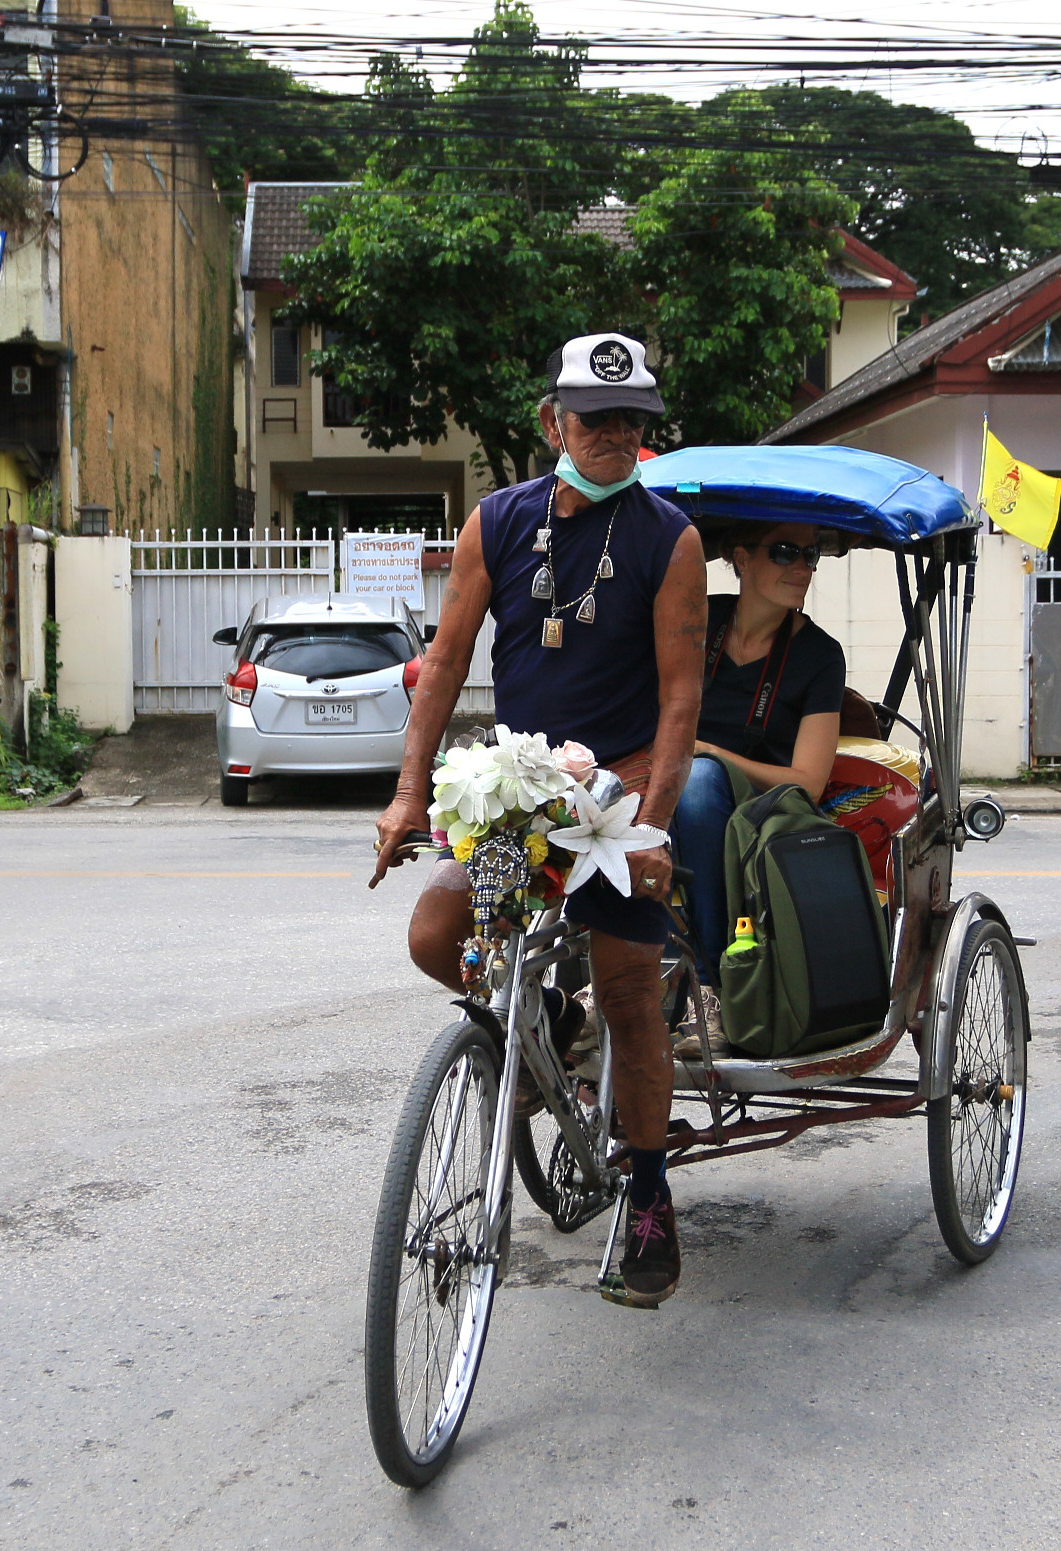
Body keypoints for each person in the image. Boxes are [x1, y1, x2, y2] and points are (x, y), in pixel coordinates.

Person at [369, 332, 707, 1308]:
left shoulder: (668, 539)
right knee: (440, 934)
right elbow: (440, 665)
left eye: (629, 420)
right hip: (520, 792)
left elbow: (681, 701)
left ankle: (646, 1200)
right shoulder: (496, 523)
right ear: (549, 419)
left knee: (632, 994)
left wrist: (651, 828)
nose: (611, 435)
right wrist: (404, 794)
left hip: (620, 793)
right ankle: (548, 1025)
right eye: (592, 416)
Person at [671, 524, 850, 973]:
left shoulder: (820, 655)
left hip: (761, 811)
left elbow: (808, 783)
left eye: (810, 555)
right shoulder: (700, 621)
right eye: (785, 552)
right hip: (670, 777)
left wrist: (710, 753)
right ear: (742, 558)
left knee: (698, 779)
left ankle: (711, 980)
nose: (801, 567)